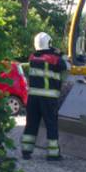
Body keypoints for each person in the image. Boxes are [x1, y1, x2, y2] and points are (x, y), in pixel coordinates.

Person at [21, 32, 70, 161]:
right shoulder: (54, 58)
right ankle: (53, 154)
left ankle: (26, 151)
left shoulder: (32, 58)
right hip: (48, 98)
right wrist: (60, 54)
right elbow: (67, 67)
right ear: (49, 43)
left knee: (31, 124)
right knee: (51, 125)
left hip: (33, 97)